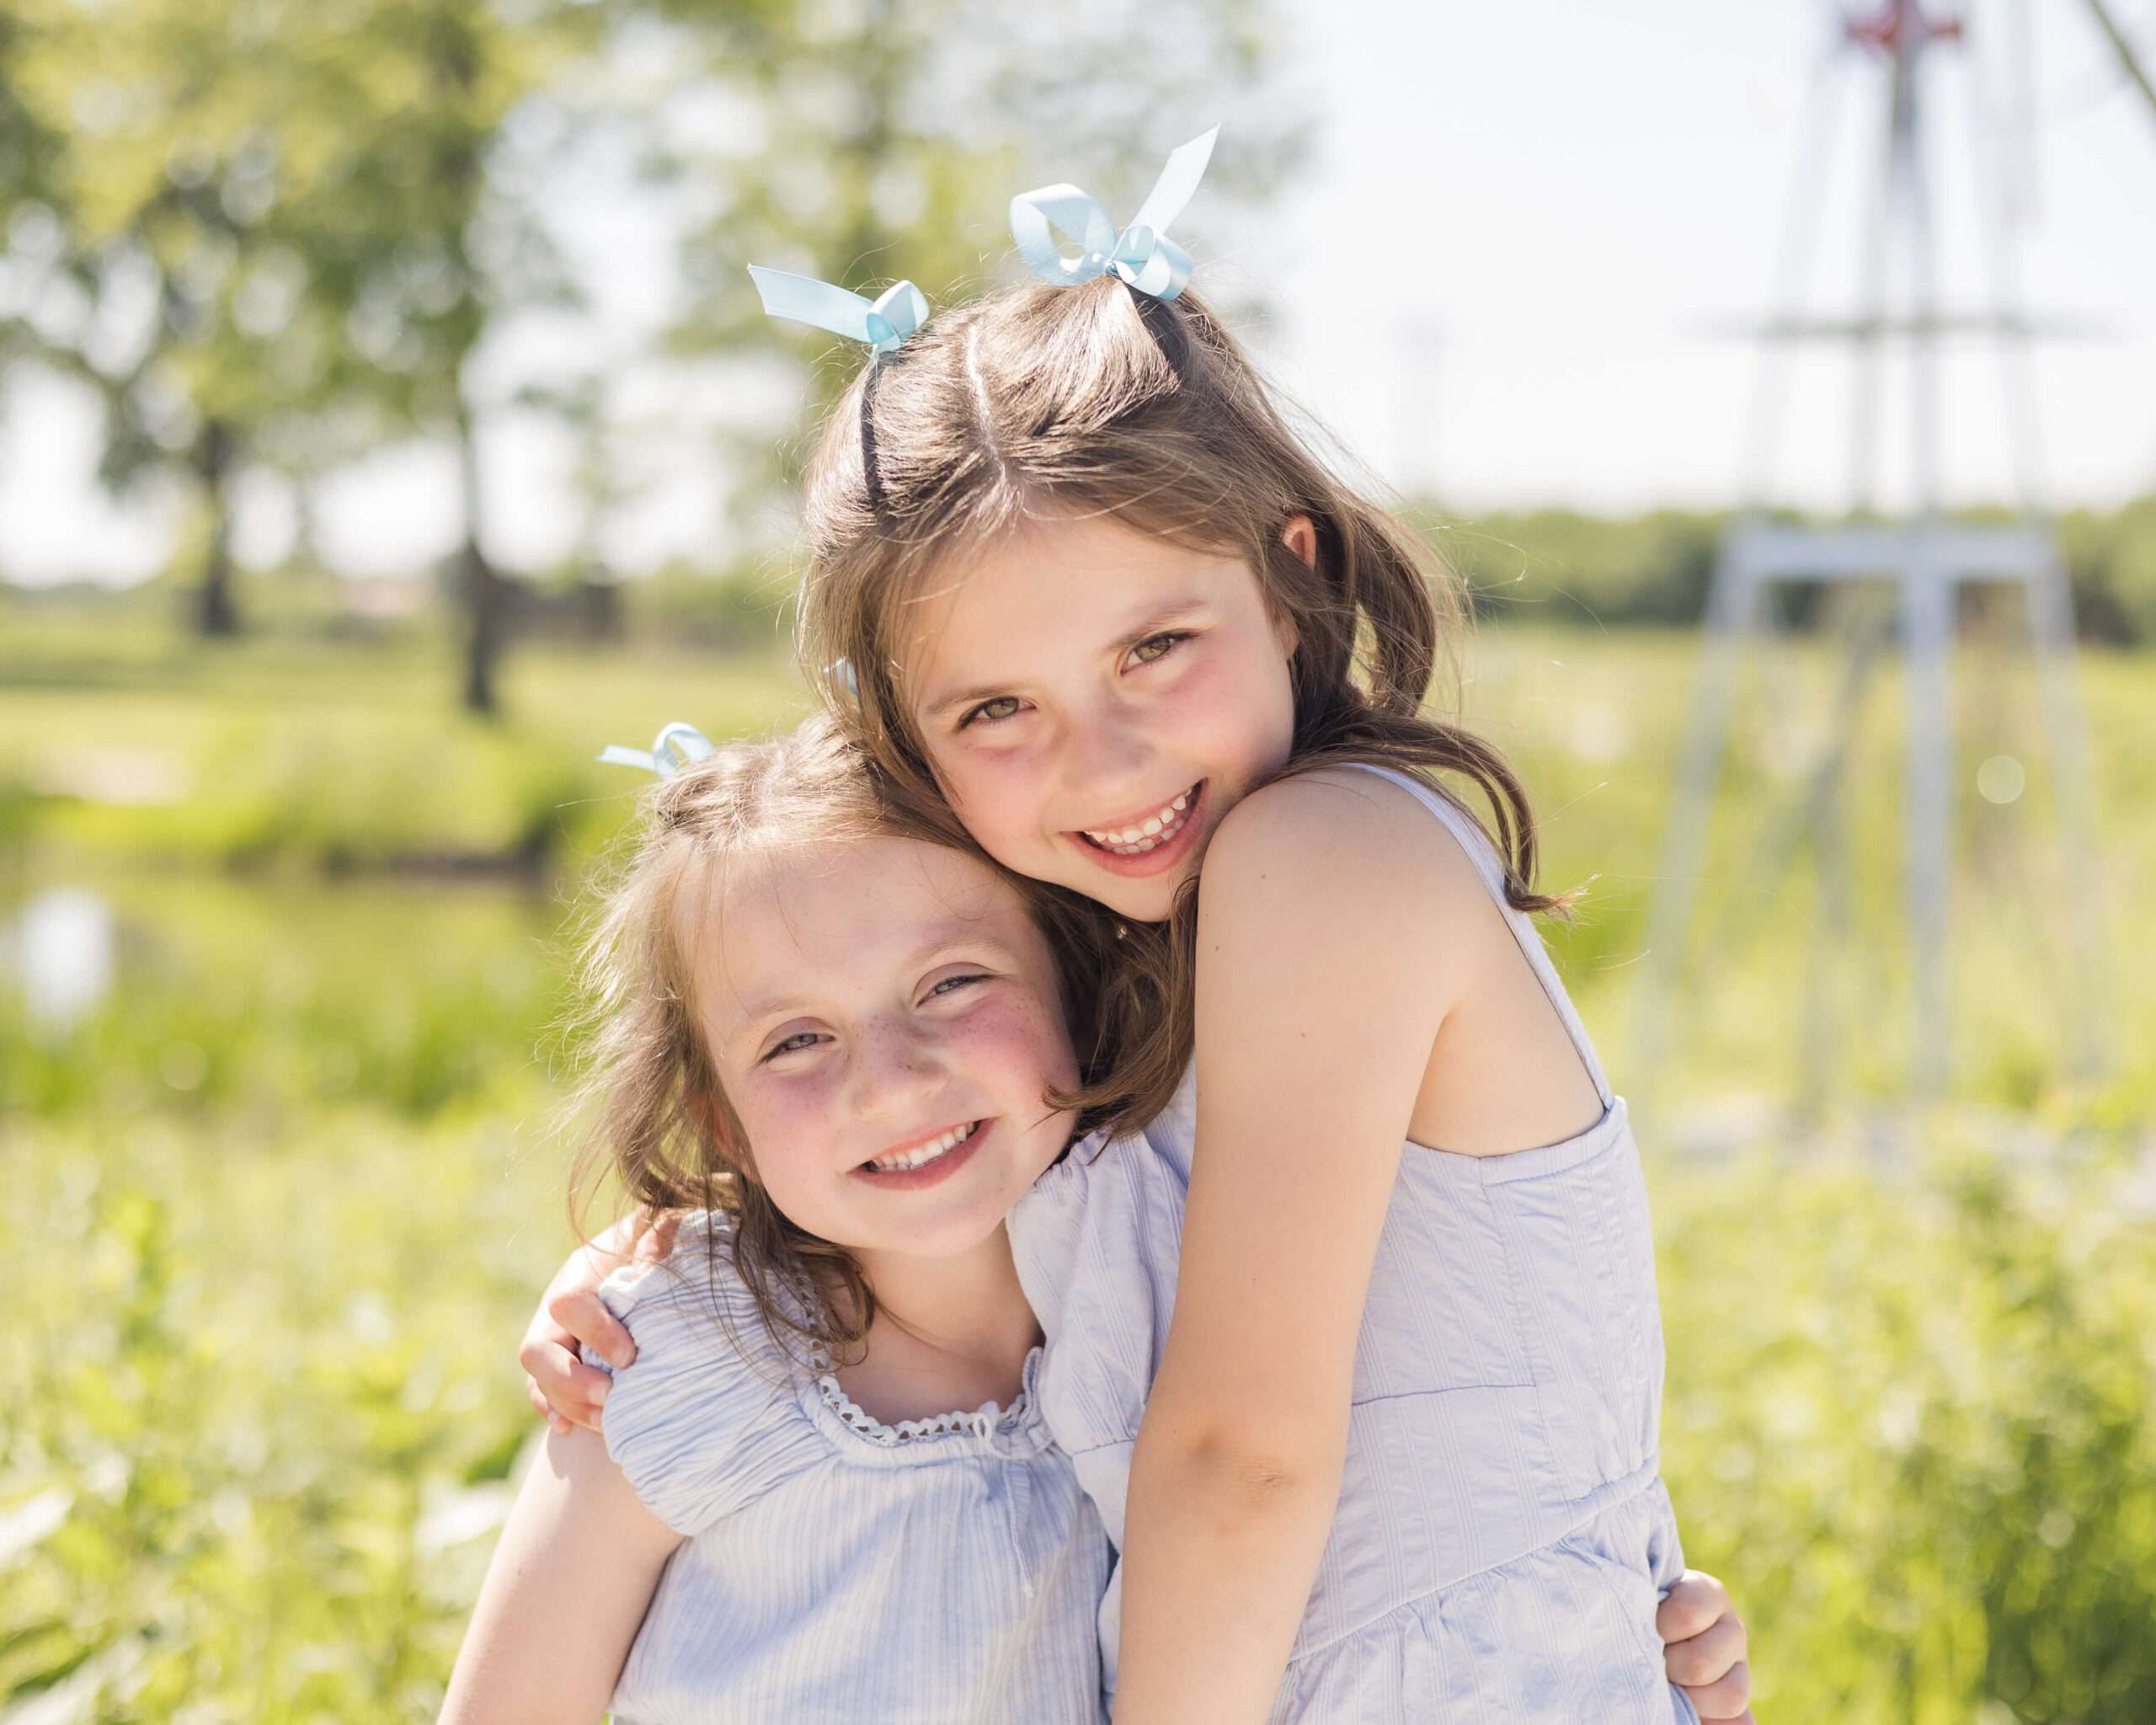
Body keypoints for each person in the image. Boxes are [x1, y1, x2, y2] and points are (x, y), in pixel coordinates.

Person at [526, 136, 1756, 1723]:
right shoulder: (1141, 954)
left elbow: (1240, 1456)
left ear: (1289, 573)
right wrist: (670, 1254)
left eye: (1157, 646)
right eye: (995, 709)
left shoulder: (1324, 859)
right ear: (908, 728)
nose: (1102, 763)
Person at [442, 718, 1111, 1725]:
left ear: (1075, 978)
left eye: (952, 982)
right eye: (796, 1039)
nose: (889, 1082)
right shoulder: (682, 1350)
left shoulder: (1157, 1295)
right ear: (728, 1126)